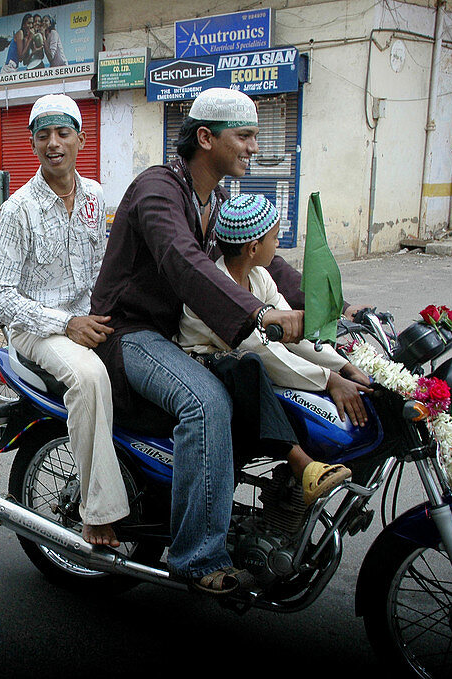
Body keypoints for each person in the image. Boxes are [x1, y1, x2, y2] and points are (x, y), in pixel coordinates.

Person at [90, 87, 313, 596]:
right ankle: (196, 557)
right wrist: (260, 313)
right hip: (127, 333)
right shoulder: (158, 190)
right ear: (206, 138)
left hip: (172, 338)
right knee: (206, 403)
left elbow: (265, 260)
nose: (255, 147)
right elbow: (181, 259)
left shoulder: (213, 201)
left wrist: (329, 306)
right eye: (246, 135)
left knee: (253, 382)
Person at [0, 94, 127, 547]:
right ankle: (97, 510)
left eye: (62, 133)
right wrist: (65, 324)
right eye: (43, 135)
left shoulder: (94, 196)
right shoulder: (17, 210)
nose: (53, 143)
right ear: (31, 144)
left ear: (80, 140)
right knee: (88, 378)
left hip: (88, 317)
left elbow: (102, 262)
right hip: (36, 329)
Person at [175, 193, 372, 504]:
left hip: (243, 356)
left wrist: (342, 366)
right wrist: (330, 380)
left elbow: (295, 335)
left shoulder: (259, 276)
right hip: (202, 363)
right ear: (254, 248)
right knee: (250, 367)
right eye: (275, 237)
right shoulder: (216, 286)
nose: (277, 245)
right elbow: (265, 351)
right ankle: (301, 462)